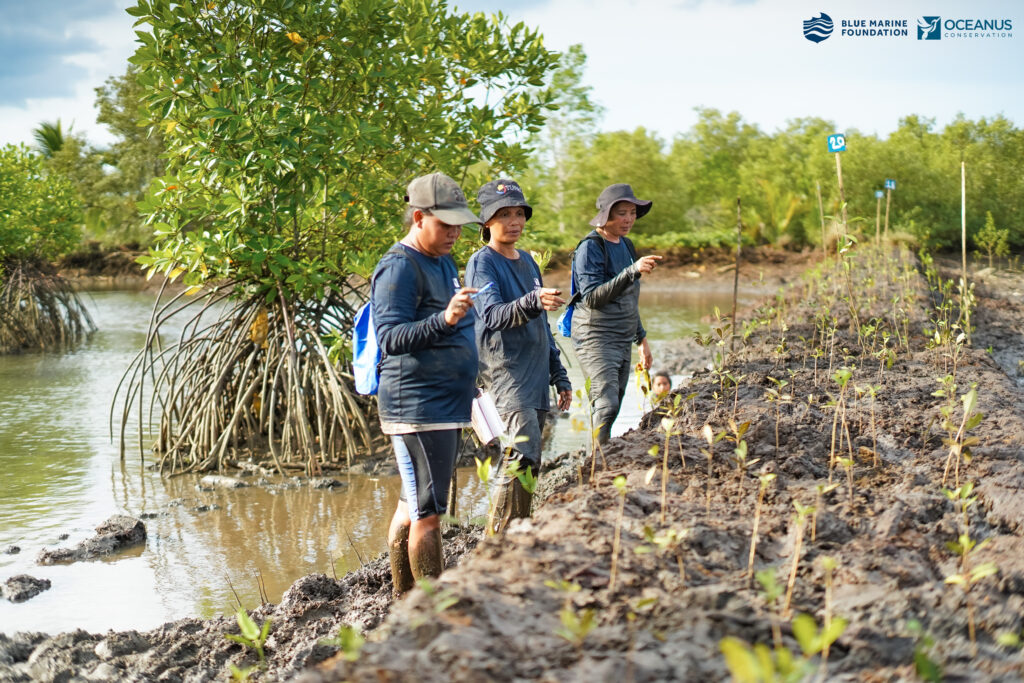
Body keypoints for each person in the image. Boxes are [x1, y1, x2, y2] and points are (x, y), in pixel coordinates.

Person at [371, 172, 480, 597]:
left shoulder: (442, 260)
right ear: (419, 218)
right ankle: (431, 610)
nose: (454, 232)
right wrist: (445, 319)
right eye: (445, 224)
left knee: (411, 505)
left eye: (458, 224)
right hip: (418, 406)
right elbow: (391, 338)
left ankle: (403, 598)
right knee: (429, 514)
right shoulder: (400, 265)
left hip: (444, 402)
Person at [465, 179, 572, 533]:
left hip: (537, 375)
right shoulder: (482, 263)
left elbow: (542, 325)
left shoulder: (527, 261)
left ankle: (517, 534)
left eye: (518, 214)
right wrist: (532, 300)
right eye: (504, 214)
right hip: (506, 375)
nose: (514, 221)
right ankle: (497, 541)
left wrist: (560, 375)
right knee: (518, 456)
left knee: (530, 462)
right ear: (486, 223)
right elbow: (492, 315)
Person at [571, 183, 662, 443]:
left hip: (622, 336)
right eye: (622, 213)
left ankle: (602, 458)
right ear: (607, 215)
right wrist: (632, 271)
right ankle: (596, 464)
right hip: (595, 337)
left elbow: (629, 298)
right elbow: (592, 298)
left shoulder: (627, 245)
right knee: (606, 403)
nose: (629, 219)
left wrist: (642, 340)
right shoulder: (590, 247)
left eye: (632, 212)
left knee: (616, 402)